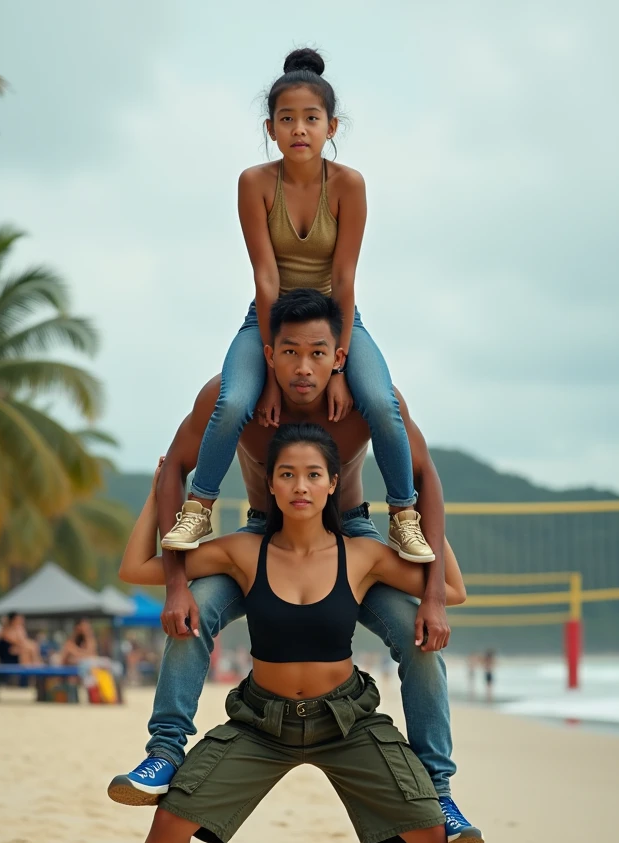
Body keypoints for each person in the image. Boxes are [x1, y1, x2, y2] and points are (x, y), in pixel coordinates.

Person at [94, 423, 511, 843]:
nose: (300, 486)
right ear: (270, 484)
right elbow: (137, 569)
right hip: (260, 722)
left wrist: (416, 517)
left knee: (429, 826)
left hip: (347, 721)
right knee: (171, 817)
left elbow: (453, 589)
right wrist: (160, 491)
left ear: (333, 483)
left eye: (313, 474)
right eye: (286, 474)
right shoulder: (245, 551)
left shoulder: (362, 554)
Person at [110, 290, 482, 843]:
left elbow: (426, 480)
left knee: (419, 638)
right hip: (263, 534)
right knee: (188, 617)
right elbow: (175, 472)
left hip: (353, 534)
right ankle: (163, 755)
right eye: (290, 352)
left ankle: (439, 790)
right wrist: (176, 588)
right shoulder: (234, 400)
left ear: (339, 354)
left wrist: (430, 596)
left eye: (317, 352)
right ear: (267, 353)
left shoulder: (368, 402)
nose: (302, 366)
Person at [160, 47, 433, 565]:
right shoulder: (255, 183)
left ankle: (402, 516)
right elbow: (265, 275)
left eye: (311, 119)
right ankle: (198, 507)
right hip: (269, 318)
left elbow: (346, 276)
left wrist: (337, 363)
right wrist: (269, 361)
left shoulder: (349, 184)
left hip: (335, 321)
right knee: (234, 401)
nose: (299, 129)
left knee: (381, 403)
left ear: (332, 127)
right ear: (271, 128)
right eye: (287, 119)